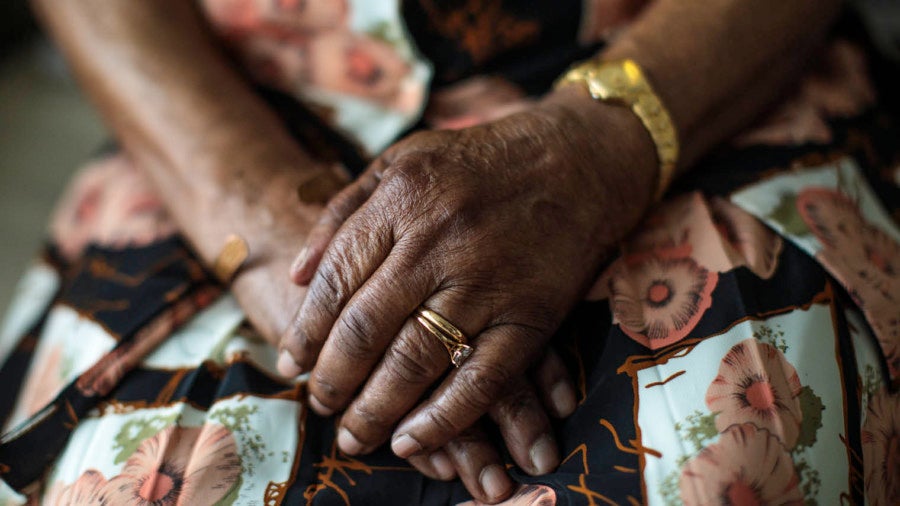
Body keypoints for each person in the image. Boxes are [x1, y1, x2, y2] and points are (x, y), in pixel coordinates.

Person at [0, 0, 898, 504]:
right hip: (218, 111)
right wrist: (265, 222)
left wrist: (597, 147)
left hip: (694, 72)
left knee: (721, 473)